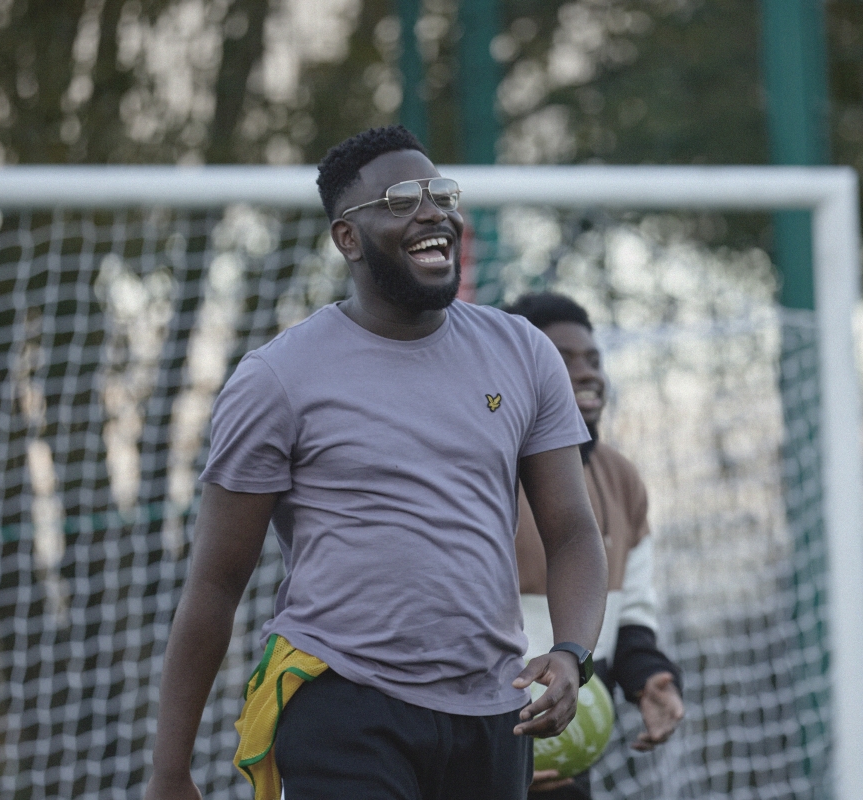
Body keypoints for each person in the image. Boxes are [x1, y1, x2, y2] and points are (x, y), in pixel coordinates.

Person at [143, 127, 608, 800]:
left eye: (439, 193)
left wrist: (570, 652)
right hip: (342, 702)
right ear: (347, 238)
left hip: (491, 712)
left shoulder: (523, 353)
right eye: (398, 199)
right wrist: (169, 770)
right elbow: (216, 583)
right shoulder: (278, 378)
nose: (431, 212)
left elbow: (572, 533)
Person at [505, 292, 685, 800]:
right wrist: (495, 742)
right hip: (486, 730)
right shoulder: (484, 470)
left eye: (593, 360)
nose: (588, 373)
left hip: (568, 735)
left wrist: (650, 679)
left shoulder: (621, 477)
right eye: (562, 359)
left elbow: (629, 619)